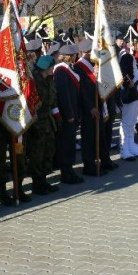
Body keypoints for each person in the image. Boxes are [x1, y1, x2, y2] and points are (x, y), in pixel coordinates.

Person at [27, 55, 60, 194]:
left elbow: (53, 101)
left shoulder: (49, 80)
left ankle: (44, 180)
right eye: (52, 67)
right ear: (46, 68)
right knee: (37, 154)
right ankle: (37, 183)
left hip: (48, 122)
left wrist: (57, 117)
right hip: (37, 123)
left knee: (48, 152)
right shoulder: (34, 82)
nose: (53, 69)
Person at [73, 39, 107, 176]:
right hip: (88, 108)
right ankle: (88, 165)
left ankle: (98, 161)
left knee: (97, 135)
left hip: (96, 104)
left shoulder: (92, 64)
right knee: (88, 137)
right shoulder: (79, 67)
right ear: (87, 52)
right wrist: (90, 107)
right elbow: (82, 91)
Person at [53, 43, 84, 184]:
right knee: (66, 144)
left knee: (70, 143)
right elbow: (63, 95)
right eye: (74, 55)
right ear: (68, 56)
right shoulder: (60, 70)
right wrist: (70, 114)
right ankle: (66, 173)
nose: (76, 56)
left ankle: (69, 170)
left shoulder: (69, 69)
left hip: (73, 112)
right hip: (67, 116)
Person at [118, 47, 138, 160]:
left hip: (133, 92)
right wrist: (128, 82)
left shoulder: (130, 56)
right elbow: (123, 72)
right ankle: (124, 148)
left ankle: (131, 145)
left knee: (133, 120)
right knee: (127, 122)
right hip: (128, 93)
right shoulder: (127, 56)